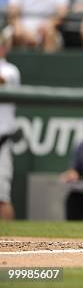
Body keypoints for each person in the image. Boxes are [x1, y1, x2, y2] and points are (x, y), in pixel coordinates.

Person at [0, 33, 19, 220]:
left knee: (2, 198)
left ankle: (9, 240)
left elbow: (2, 80)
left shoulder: (10, 70)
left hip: (1, 142)